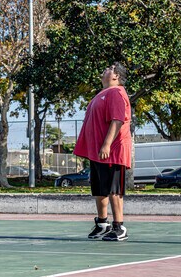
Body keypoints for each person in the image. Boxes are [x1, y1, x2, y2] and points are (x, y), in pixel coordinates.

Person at [73, 62, 132, 241]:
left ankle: (119, 227)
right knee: (100, 189)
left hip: (113, 150)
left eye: (109, 69)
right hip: (98, 152)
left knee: (114, 189)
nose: (105, 70)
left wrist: (106, 144)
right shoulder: (101, 95)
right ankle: (102, 224)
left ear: (116, 77)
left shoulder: (116, 92)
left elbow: (117, 120)